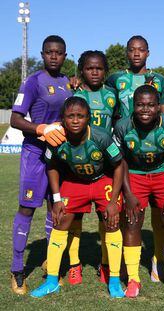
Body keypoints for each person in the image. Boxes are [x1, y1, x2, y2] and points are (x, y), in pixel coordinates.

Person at [30, 96, 125, 298]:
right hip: (74, 182)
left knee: (112, 223)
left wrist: (113, 200)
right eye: (70, 116)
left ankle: (115, 280)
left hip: (102, 180)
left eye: (80, 116)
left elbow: (118, 165)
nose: (75, 120)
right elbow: (52, 166)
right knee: (60, 222)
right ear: (62, 119)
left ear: (88, 118)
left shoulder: (102, 137)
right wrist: (56, 199)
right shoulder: (56, 138)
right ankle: (52, 280)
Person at [10, 35, 71, 295]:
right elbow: (14, 119)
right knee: (26, 208)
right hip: (35, 153)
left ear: (65, 56)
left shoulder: (69, 82)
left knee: (54, 208)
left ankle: (50, 262)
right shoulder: (33, 81)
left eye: (58, 53)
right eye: (49, 52)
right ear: (43, 54)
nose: (54, 56)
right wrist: (40, 128)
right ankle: (17, 269)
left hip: (59, 155)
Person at [106, 35, 164, 282]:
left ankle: (158, 259)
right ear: (126, 53)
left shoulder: (159, 80)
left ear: (148, 52)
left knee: (159, 212)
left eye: (140, 50)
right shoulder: (115, 79)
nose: (136, 54)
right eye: (131, 50)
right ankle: (125, 262)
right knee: (129, 212)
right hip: (126, 147)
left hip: (153, 147)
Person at [113, 85, 164, 298]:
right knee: (133, 222)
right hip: (134, 175)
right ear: (133, 106)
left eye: (151, 105)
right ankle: (134, 278)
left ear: (158, 106)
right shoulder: (122, 126)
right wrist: (128, 192)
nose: (146, 109)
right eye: (140, 105)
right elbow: (120, 161)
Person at [64, 50, 118, 285]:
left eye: (99, 68)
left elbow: (118, 123)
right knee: (73, 218)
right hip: (75, 165)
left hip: (104, 165)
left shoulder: (112, 95)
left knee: (105, 216)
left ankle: (105, 264)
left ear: (105, 71)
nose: (94, 72)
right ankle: (75, 265)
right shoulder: (73, 94)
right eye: (89, 68)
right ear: (81, 70)